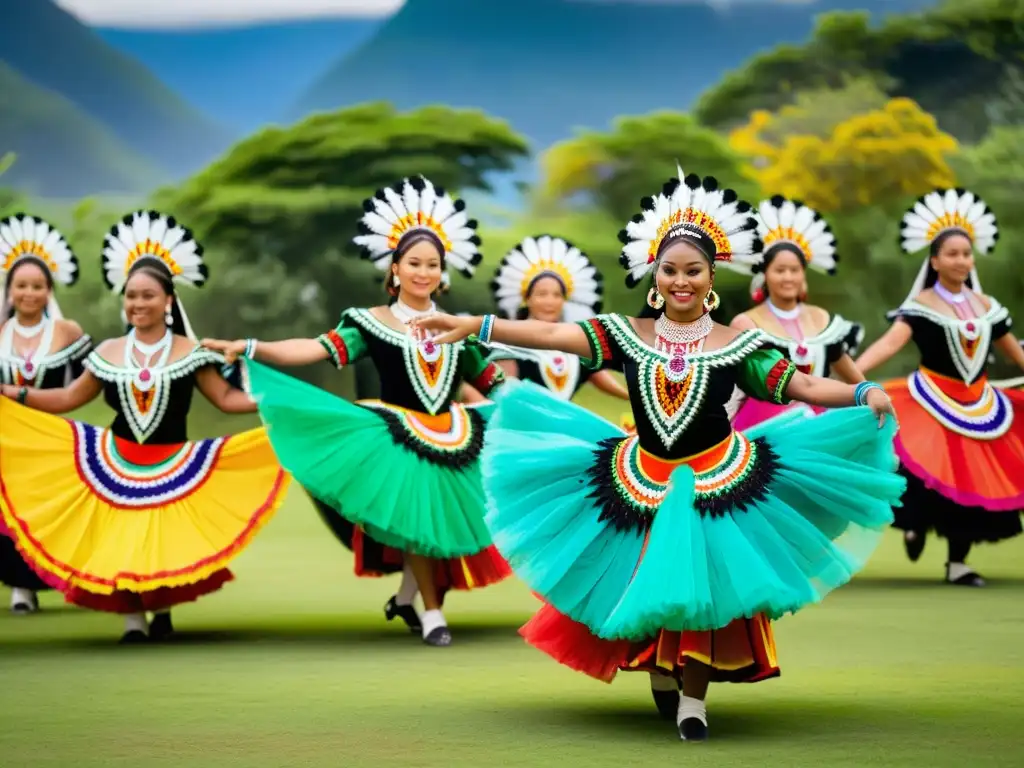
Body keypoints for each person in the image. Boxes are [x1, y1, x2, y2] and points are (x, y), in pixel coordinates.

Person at [409, 167, 904, 741]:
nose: (681, 281)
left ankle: (694, 701)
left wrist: (863, 391)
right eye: (670, 270)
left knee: (707, 590)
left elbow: (806, 387)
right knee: (637, 583)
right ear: (655, 275)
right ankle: (661, 677)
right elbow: (549, 336)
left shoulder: (740, 344)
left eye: (693, 271)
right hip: (638, 479)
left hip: (716, 484)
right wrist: (475, 323)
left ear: (711, 276)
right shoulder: (627, 334)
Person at [202, 176, 510, 647]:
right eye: (414, 263)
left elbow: (493, 382)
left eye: (432, 264)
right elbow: (311, 349)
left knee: (440, 527)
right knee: (418, 526)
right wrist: (249, 347)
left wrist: (538, 411)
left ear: (443, 272)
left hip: (455, 436)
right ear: (395, 270)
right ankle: (432, 615)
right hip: (397, 438)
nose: (423, 273)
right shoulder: (369, 322)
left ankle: (408, 599)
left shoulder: (458, 328)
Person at [0, 210, 289, 643]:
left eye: (148, 295)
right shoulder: (109, 351)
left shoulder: (191, 351)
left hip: (174, 458)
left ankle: (163, 611)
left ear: (169, 301)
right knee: (127, 541)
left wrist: (280, 404)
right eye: (131, 296)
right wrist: (12, 395)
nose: (138, 303)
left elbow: (226, 400)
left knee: (162, 539)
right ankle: (134, 621)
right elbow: (67, 398)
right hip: (117, 460)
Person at [856, 187, 1024, 586]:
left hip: (981, 404)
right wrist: (853, 375)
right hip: (931, 399)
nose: (961, 260)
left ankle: (958, 562)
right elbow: (891, 342)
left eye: (966, 253)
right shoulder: (922, 305)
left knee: (971, 479)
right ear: (934, 260)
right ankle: (915, 527)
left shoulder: (987, 306)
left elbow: (1013, 350)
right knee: (924, 477)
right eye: (952, 254)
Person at [0, 214, 92, 614]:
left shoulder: (66, 331)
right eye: (21, 286)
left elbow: (99, 373)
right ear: (10, 290)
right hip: (5, 440)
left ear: (49, 290)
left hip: (49, 437)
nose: (29, 293)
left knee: (45, 511)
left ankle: (48, 577)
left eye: (37, 286)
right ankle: (20, 588)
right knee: (7, 512)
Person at [729, 195, 865, 428]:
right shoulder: (746, 323)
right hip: (765, 422)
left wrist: (870, 393)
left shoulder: (822, 319)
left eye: (795, 270)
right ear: (765, 275)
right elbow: (734, 385)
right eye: (780, 270)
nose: (788, 277)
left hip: (821, 421)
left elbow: (851, 375)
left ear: (803, 273)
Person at [487, 235, 628, 401]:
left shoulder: (576, 341)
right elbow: (504, 392)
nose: (550, 302)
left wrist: (632, 398)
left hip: (565, 425)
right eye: (542, 294)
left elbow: (595, 374)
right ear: (527, 298)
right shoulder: (510, 339)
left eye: (557, 295)